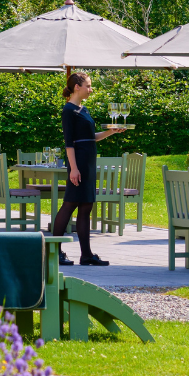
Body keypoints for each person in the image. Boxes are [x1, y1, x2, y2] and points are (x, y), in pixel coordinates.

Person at [53, 72, 125, 266]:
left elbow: (90, 137)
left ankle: (86, 255)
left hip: (89, 162)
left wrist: (111, 132)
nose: (91, 90)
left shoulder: (82, 109)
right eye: (88, 86)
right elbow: (69, 143)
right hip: (78, 163)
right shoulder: (68, 110)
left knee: (86, 206)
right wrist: (73, 169)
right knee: (70, 204)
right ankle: (53, 252)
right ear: (77, 87)